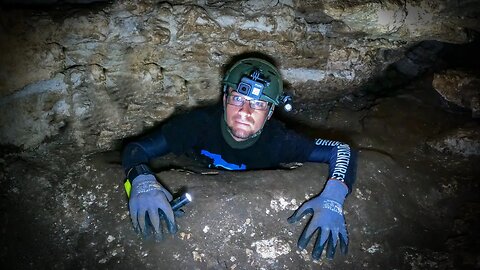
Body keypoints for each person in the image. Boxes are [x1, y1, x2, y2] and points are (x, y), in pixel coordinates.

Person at [121, 57, 357, 260]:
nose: (245, 111)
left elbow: (341, 149)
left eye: (258, 103)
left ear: (270, 113)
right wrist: (141, 180)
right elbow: (136, 149)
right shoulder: (197, 125)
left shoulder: (280, 141)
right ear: (225, 99)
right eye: (238, 99)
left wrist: (332, 198)